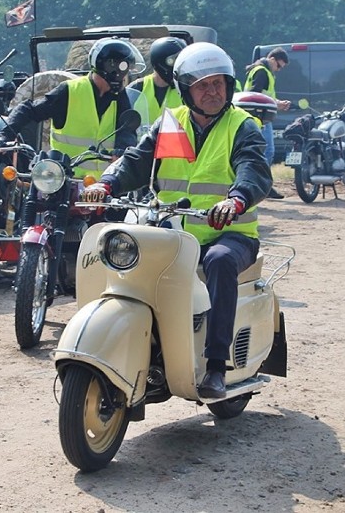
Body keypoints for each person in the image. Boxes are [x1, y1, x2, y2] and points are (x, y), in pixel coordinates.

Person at [82, 42, 272, 399]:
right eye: (203, 85)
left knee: (218, 262)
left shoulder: (242, 125)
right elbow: (136, 161)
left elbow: (255, 169)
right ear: (187, 89)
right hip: (172, 231)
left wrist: (236, 199)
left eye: (218, 83)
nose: (212, 91)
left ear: (229, 86)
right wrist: (106, 183)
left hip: (229, 233)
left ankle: (215, 365)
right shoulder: (171, 123)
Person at [0, 37, 146, 179]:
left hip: (104, 184)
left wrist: (122, 150)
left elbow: (127, 129)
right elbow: (29, 110)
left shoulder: (119, 96)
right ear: (110, 68)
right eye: (122, 69)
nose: (124, 76)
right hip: (63, 180)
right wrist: (5, 135)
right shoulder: (70, 91)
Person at [244, 47, 291, 199]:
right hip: (259, 116)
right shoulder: (262, 72)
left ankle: (262, 184)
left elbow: (263, 95)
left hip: (260, 115)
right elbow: (256, 95)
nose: (278, 69)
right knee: (267, 151)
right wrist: (275, 104)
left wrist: (276, 103)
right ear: (272, 59)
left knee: (263, 152)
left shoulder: (262, 71)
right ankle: (263, 185)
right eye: (279, 66)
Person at [128, 36, 187, 126]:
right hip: (141, 140)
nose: (178, 67)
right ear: (160, 61)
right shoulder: (136, 88)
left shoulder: (185, 89)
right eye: (174, 61)